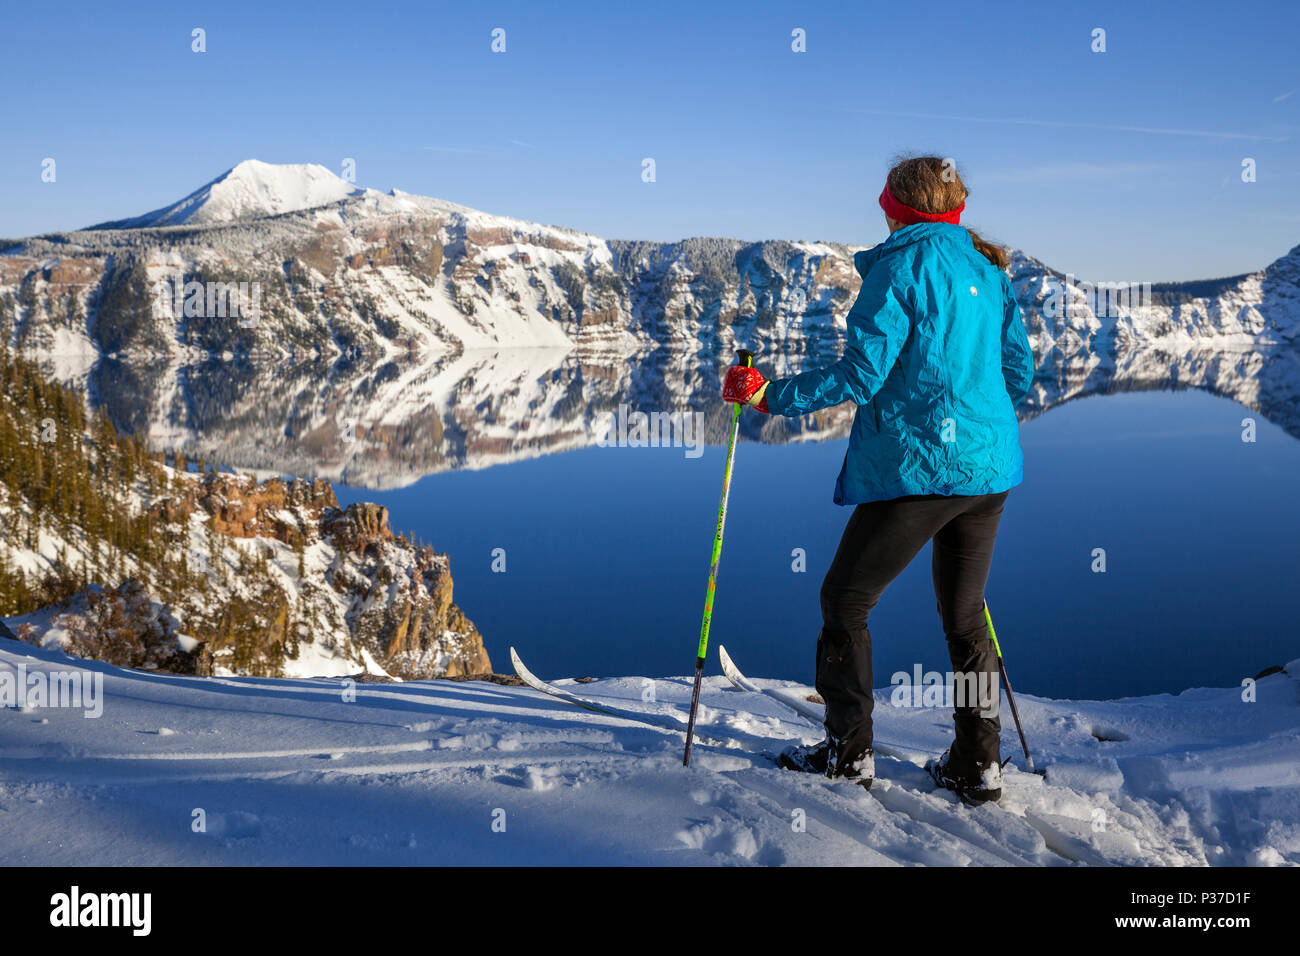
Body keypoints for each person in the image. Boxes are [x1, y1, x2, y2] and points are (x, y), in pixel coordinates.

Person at [721, 155, 1035, 805]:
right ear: (955, 208)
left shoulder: (897, 268)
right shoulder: (988, 269)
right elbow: (1020, 377)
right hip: (989, 470)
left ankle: (847, 753)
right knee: (965, 617)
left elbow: (860, 377)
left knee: (845, 602)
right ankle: (979, 762)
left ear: (897, 207)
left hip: (924, 471)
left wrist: (767, 395)